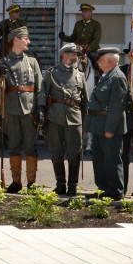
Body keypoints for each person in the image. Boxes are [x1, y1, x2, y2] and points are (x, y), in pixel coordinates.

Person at [0, 26, 43, 193]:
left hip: (29, 110)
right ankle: (16, 182)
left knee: (31, 147)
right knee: (14, 146)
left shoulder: (32, 62)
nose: (28, 41)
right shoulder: (3, 62)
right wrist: (0, 77)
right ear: (16, 39)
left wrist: (41, 108)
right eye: (25, 38)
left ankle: (31, 183)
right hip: (11, 110)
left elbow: (40, 88)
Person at [39, 43, 87, 196]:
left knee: (75, 153)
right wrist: (41, 111)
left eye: (77, 55)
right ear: (65, 55)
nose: (77, 58)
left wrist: (85, 123)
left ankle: (72, 185)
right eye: (74, 55)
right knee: (56, 152)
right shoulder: (51, 74)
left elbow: (85, 100)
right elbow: (43, 94)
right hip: (55, 117)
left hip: (74, 118)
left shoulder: (80, 74)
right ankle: (60, 184)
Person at [87, 47, 128, 200]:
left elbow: (117, 107)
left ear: (110, 61)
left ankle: (115, 192)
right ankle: (103, 189)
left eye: (101, 59)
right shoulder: (106, 76)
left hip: (109, 127)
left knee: (111, 160)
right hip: (98, 126)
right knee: (99, 160)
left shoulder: (117, 77)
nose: (98, 62)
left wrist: (110, 128)